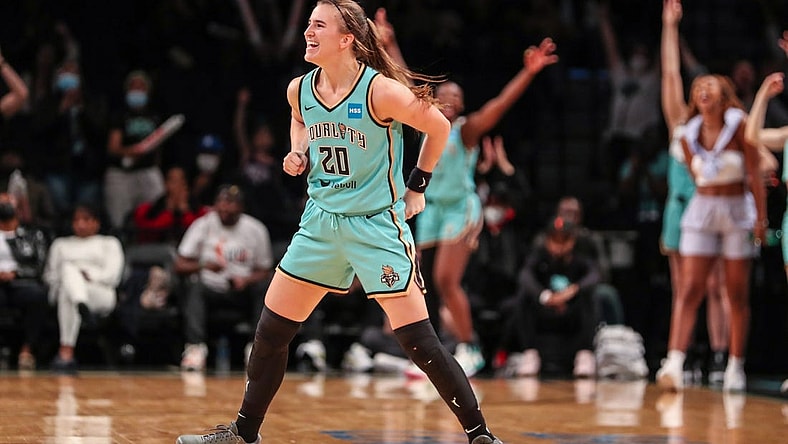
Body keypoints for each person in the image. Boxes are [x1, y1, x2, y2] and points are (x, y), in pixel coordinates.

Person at [176, 1, 503, 443]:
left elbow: (438, 128)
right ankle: (243, 434)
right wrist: (298, 150)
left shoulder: (380, 91)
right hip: (320, 223)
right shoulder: (299, 89)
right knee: (271, 331)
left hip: (375, 226)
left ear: (347, 39)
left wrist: (418, 187)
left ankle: (480, 435)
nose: (307, 32)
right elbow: (300, 119)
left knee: (420, 342)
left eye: (318, 25)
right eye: (308, 24)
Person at [379, 12, 559, 377]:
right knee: (420, 281)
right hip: (429, 206)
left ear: (460, 106)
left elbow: (500, 104)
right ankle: (435, 350)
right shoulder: (425, 122)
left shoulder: (467, 131)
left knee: (447, 280)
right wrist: (389, 43)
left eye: (456, 96)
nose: (449, 98)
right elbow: (404, 79)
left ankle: (470, 347)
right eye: (443, 94)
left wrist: (529, 71)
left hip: (461, 208)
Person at [656, 0, 767, 393]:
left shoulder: (735, 128)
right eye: (698, 88)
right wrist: (669, 27)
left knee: (726, 288)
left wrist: (761, 214)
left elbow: (756, 163)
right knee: (687, 288)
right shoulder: (682, 126)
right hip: (686, 208)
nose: (703, 92)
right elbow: (670, 73)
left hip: (732, 207)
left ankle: (723, 359)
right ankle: (681, 359)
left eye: (710, 88)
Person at [175, 184, 273, 372]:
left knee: (265, 287)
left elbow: (265, 270)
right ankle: (195, 349)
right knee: (195, 286)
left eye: (231, 203)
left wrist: (247, 280)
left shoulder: (255, 229)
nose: (226, 208)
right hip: (211, 288)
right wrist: (204, 265)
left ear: (241, 207)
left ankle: (256, 350)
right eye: (222, 202)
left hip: (242, 290)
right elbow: (179, 264)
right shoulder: (203, 225)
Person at [500, 216, 600, 378]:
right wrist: (545, 296)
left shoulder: (581, 259)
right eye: (555, 240)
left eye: (564, 240)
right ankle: (530, 353)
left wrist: (572, 292)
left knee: (592, 297)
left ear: (572, 241)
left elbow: (594, 275)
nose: (559, 246)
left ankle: (584, 354)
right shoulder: (539, 257)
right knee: (523, 297)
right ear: (547, 240)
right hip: (544, 310)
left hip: (572, 311)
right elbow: (525, 276)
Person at [43, 203, 125, 374]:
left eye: (86, 220)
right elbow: (49, 276)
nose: (80, 224)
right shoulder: (60, 244)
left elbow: (113, 276)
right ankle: (81, 305)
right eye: (76, 220)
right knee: (67, 272)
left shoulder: (109, 243)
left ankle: (66, 353)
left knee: (69, 287)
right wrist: (72, 276)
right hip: (63, 290)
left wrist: (88, 275)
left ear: (96, 222)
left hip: (99, 291)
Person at [104, 70, 166, 230]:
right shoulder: (120, 115)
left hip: (147, 171)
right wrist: (133, 151)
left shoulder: (154, 116)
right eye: (133, 87)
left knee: (156, 212)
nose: (137, 91)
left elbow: (158, 147)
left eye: (141, 87)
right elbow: (113, 147)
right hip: (121, 173)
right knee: (119, 219)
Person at [0, 193, 51, 370]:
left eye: (8, 201)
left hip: (22, 283)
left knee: (38, 296)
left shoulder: (33, 235)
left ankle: (27, 350)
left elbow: (40, 266)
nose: (4, 204)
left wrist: (16, 273)